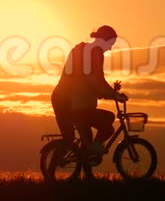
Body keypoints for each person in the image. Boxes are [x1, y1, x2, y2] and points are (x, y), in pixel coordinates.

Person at [51, 25, 127, 159]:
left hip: (76, 101)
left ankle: (89, 155)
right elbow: (95, 81)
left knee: (104, 123)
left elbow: (95, 82)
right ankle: (52, 173)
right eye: (110, 44)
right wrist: (113, 95)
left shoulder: (85, 50)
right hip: (66, 101)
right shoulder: (93, 53)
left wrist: (110, 92)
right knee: (70, 139)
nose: (109, 48)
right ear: (103, 40)